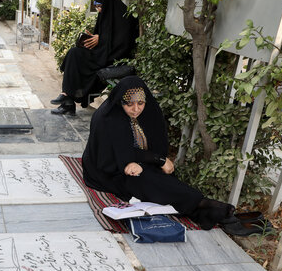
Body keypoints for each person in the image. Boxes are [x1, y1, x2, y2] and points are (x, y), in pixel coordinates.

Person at [82, 76, 243, 232]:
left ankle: (202, 209)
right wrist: (154, 160)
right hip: (108, 169)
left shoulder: (149, 111)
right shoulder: (108, 119)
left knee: (161, 178)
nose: (136, 109)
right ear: (119, 101)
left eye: (140, 103)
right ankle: (205, 205)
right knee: (143, 179)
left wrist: (155, 160)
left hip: (136, 161)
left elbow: (153, 145)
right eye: (129, 104)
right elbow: (112, 155)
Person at [51, 0, 139, 115]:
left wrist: (101, 39)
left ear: (108, 4)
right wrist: (93, 39)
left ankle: (68, 103)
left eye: (100, 6)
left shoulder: (126, 17)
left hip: (114, 57)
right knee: (74, 53)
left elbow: (124, 43)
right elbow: (104, 37)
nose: (99, 10)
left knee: (78, 60)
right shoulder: (105, 15)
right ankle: (66, 96)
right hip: (102, 53)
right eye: (96, 7)